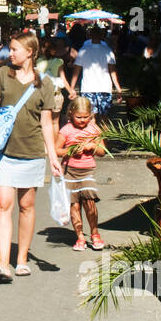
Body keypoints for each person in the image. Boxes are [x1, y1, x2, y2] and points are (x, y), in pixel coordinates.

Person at [0, 34, 61, 280]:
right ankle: (3, 264)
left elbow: (47, 123)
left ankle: (22, 259)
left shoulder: (44, 83)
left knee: (26, 206)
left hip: (32, 152)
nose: (10, 54)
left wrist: (53, 155)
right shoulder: (4, 74)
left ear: (30, 52)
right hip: (3, 151)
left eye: (15, 49)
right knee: (3, 204)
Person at [56, 96, 107, 250]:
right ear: (71, 113)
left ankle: (94, 233)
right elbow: (57, 150)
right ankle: (79, 237)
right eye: (79, 117)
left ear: (90, 115)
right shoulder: (66, 130)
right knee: (74, 205)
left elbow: (102, 152)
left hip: (87, 170)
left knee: (89, 202)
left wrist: (93, 146)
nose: (82, 120)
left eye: (86, 117)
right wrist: (70, 151)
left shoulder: (94, 129)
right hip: (70, 170)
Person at [71, 25, 123, 120]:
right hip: (104, 88)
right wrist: (118, 88)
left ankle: (93, 135)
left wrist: (71, 88)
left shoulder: (83, 50)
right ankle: (103, 134)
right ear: (102, 35)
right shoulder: (107, 51)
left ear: (90, 35)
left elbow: (76, 71)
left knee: (90, 117)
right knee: (104, 118)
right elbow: (113, 71)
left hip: (87, 88)